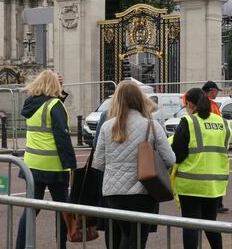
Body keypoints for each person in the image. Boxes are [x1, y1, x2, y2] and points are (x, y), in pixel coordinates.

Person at [93, 81, 175, 249]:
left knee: (125, 234)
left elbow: (99, 163)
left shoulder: (107, 126)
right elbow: (170, 159)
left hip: (113, 192)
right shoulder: (151, 125)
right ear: (140, 99)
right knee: (138, 239)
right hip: (143, 190)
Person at [14, 69, 76, 249]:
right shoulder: (54, 105)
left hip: (32, 163)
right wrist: (71, 165)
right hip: (54, 165)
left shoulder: (31, 104)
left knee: (31, 208)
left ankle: (21, 245)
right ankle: (61, 245)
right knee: (63, 210)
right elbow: (62, 137)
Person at [171, 88, 231, 249]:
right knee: (211, 224)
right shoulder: (222, 122)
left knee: (191, 225)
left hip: (191, 183)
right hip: (214, 184)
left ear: (189, 103)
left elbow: (176, 154)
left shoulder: (188, 122)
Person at [201, 81, 227, 213]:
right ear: (210, 90)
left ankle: (218, 203)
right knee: (215, 175)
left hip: (212, 144)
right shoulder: (207, 104)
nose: (217, 93)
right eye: (216, 91)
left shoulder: (207, 103)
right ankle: (215, 204)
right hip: (212, 145)